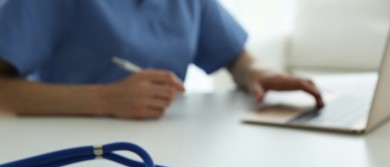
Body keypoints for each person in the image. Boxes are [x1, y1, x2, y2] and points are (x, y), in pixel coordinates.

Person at [0, 0, 323, 119]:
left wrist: (259, 72)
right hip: (65, 152)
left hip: (164, 151)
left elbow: (236, 57)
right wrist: (105, 99)